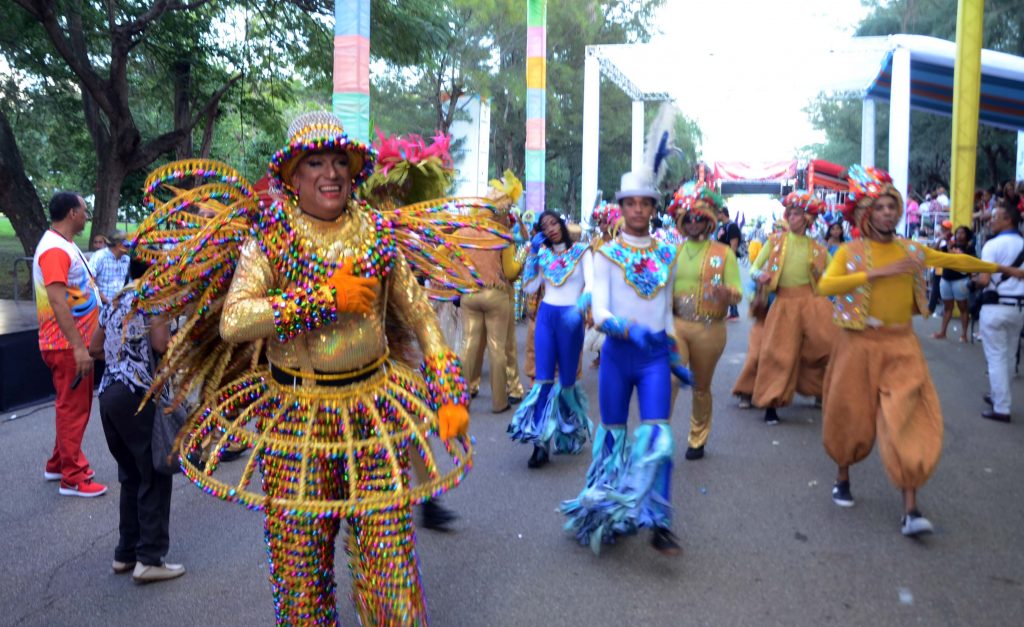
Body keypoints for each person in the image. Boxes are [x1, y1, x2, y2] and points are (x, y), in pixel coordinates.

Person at [135, 112, 475, 623]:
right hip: (296, 421)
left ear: (354, 171)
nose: (330, 173)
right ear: (293, 176)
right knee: (301, 574)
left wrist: (448, 391)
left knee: (390, 563)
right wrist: (324, 299)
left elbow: (422, 316)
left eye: (339, 161)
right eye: (315, 163)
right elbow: (235, 320)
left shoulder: (378, 233)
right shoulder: (271, 239)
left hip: (374, 415)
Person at [819, 165, 1023, 536]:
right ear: (866, 214)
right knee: (851, 415)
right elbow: (825, 286)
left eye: (892, 207)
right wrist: (876, 273)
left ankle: (910, 508)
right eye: (880, 207)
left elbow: (954, 261)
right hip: (857, 344)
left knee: (907, 417)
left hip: (901, 344)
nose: (888, 213)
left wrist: (1002, 269)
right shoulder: (850, 251)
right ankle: (842, 476)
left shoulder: (911, 250)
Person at [561, 168, 691, 556]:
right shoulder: (606, 254)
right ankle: (606, 511)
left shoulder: (667, 254)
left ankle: (659, 521)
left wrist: (673, 356)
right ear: (621, 208)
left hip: (654, 359)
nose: (637, 209)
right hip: (618, 356)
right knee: (612, 438)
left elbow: (666, 312)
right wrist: (628, 329)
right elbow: (600, 311)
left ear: (653, 208)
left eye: (644, 203)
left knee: (658, 437)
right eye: (630, 203)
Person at [90, 255, 183, 582]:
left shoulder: (117, 299)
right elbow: (160, 342)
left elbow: (94, 347)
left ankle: (125, 553)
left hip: (109, 396)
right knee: (155, 473)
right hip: (138, 396)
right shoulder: (152, 297)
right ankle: (149, 558)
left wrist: (121, 360)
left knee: (130, 475)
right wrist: (178, 345)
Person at [32, 191, 106, 497]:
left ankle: (58, 464)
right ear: (72, 213)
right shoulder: (54, 249)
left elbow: (73, 291)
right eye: (84, 210)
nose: (87, 216)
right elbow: (57, 301)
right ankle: (73, 477)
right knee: (73, 410)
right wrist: (78, 347)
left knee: (71, 407)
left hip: (72, 343)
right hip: (66, 345)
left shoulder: (64, 244)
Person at [509, 210, 593, 468]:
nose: (551, 229)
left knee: (567, 381)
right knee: (542, 380)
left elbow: (591, 286)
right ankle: (540, 443)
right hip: (546, 318)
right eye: (545, 227)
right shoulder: (543, 253)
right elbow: (529, 287)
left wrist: (580, 311)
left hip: (571, 320)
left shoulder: (582, 251)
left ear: (561, 224)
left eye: (554, 223)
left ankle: (567, 433)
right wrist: (533, 255)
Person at [667, 182, 741, 460]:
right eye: (688, 218)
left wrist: (726, 293)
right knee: (669, 380)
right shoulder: (673, 252)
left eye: (698, 218)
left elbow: (737, 293)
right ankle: (659, 436)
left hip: (710, 328)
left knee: (700, 387)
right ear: (681, 221)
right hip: (677, 325)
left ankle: (697, 438)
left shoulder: (724, 253)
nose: (693, 223)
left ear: (708, 220)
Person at [745, 192, 833, 424]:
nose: (791, 218)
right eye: (789, 214)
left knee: (826, 346)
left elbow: (836, 273)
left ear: (807, 218)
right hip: (783, 304)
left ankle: (820, 389)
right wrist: (759, 275)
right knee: (777, 353)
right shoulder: (774, 242)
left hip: (813, 304)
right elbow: (753, 268)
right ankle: (771, 403)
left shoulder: (817, 248)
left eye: (796, 214)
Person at [976, 205, 1024, 423]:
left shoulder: (992, 245)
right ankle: (998, 395)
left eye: (995, 217)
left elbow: (984, 279)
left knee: (995, 357)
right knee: (1009, 356)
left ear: (1008, 220)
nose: (990, 220)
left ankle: (1001, 407)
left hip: (995, 306)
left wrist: (974, 280)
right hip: (1019, 307)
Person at [732, 219, 787, 408]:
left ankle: (816, 390)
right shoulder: (763, 268)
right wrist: (756, 295)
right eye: (776, 233)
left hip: (785, 321)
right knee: (755, 355)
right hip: (763, 321)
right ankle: (746, 392)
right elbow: (750, 283)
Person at [932, 225, 976, 343]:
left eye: (962, 233)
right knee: (947, 307)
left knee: (963, 307)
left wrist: (951, 248)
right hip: (946, 279)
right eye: (957, 233)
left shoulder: (969, 247)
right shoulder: (950, 245)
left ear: (967, 235)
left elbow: (966, 261)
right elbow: (934, 251)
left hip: (960, 280)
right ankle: (943, 332)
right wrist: (941, 239)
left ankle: (964, 335)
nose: (959, 235)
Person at [89, 229, 131, 304]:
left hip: (119, 305)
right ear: (119, 245)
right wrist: (101, 296)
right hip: (101, 305)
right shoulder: (99, 257)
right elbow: (88, 279)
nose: (130, 245)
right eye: (128, 243)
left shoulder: (126, 259)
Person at [716, 206, 742, 320]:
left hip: (727, 260)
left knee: (729, 285)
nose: (716, 215)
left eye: (718, 213)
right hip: (720, 259)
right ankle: (725, 310)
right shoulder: (722, 226)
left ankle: (734, 311)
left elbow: (734, 246)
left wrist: (729, 261)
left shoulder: (732, 226)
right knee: (722, 284)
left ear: (723, 213)